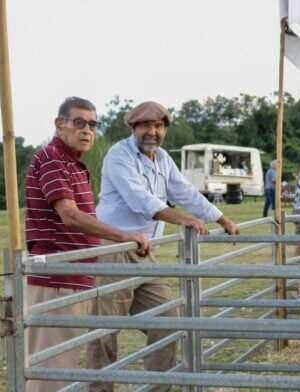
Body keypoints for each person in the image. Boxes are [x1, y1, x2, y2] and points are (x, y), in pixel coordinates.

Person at [88, 101, 240, 392]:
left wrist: (222, 218)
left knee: (167, 320)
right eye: (144, 125)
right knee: (105, 330)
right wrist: (183, 220)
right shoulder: (119, 156)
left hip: (145, 251)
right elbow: (141, 200)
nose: (152, 132)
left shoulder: (162, 159)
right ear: (133, 128)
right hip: (114, 247)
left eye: (158, 126)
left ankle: (158, 388)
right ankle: (100, 389)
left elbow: (184, 191)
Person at [25, 97, 150, 392]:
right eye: (79, 122)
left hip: (72, 278)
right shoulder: (54, 158)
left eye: (92, 124)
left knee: (61, 370)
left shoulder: (72, 164)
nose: (87, 130)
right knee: (49, 375)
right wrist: (124, 236)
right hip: (56, 279)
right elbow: (70, 215)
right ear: (60, 124)